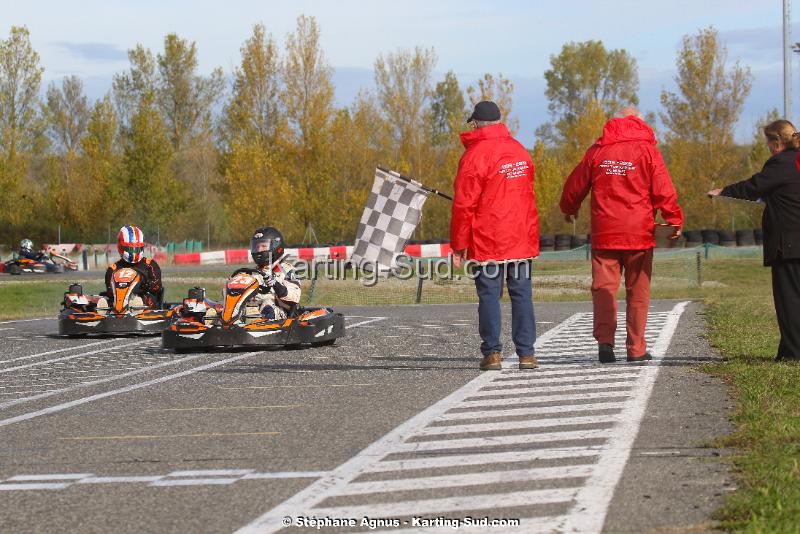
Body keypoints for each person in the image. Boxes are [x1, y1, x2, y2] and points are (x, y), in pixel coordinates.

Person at [560, 107, 683, 363]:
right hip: (639, 232)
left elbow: (576, 184)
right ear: (639, 123)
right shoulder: (648, 151)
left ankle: (605, 344)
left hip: (606, 231)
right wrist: (673, 218)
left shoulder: (598, 150)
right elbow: (663, 189)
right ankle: (636, 349)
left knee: (603, 288)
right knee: (638, 291)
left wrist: (569, 208)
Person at [451, 100, 540, 371]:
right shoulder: (520, 151)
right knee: (522, 294)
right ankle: (526, 354)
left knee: (489, 296)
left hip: (488, 239)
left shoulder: (473, 156)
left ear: (476, 123)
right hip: (521, 237)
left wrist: (458, 244)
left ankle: (492, 354)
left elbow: (464, 205)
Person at [708, 119, 800, 361]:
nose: (768, 148)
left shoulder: (781, 162)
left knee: (789, 300)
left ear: (777, 143)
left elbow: (755, 186)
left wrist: (724, 191)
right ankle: (787, 351)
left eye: (769, 143)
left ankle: (793, 355)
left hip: (789, 244)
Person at [234, 226, 301, 320]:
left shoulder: (287, 270)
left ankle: (258, 321)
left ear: (276, 247)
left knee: (267, 303)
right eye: (257, 247)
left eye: (263, 246)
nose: (259, 250)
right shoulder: (252, 273)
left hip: (280, 315)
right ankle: (213, 320)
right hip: (253, 310)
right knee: (229, 307)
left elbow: (294, 297)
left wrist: (276, 284)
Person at [101, 226, 163, 309]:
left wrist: (145, 285)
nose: (133, 252)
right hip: (119, 302)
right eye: (130, 249)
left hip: (144, 303)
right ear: (121, 247)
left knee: (144, 299)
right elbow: (110, 292)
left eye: (137, 249)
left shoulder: (150, 265)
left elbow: (157, 286)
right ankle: (105, 310)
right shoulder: (113, 269)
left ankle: (136, 306)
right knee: (104, 299)